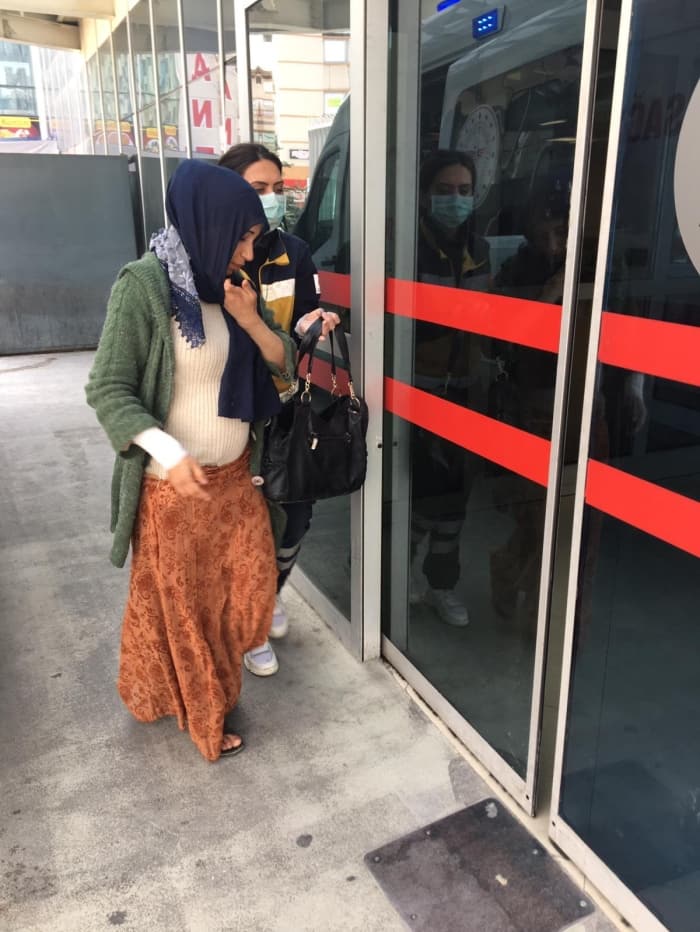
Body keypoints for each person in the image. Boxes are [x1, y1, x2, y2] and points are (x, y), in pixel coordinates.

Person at [85, 159, 296, 762]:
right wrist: (169, 452)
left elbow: (282, 367)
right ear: (210, 223)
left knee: (247, 599)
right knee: (187, 613)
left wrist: (250, 319)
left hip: (237, 482)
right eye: (243, 236)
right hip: (173, 493)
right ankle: (207, 715)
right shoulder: (144, 287)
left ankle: (168, 686)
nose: (249, 251)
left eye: (253, 238)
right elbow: (108, 388)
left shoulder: (230, 288)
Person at [217, 143, 339, 676]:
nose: (270, 198)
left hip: (284, 404)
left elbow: (307, 313)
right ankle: (247, 624)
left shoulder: (294, 251)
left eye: (277, 188)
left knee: (295, 515)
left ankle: (268, 594)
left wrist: (315, 324)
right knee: (241, 524)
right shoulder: (211, 253)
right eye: (257, 188)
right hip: (228, 412)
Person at [411, 149, 490, 627]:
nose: (455, 199)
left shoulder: (478, 249)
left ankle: (442, 583)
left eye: (464, 190)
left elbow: (486, 318)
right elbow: (410, 324)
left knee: (456, 495)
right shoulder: (407, 247)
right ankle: (393, 571)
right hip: (416, 390)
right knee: (420, 489)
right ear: (425, 194)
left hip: (465, 387)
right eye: (444, 190)